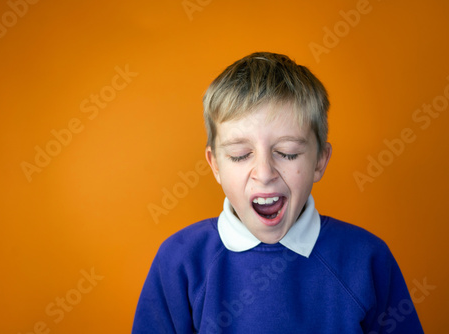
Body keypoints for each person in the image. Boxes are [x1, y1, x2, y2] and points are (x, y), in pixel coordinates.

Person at [132, 52, 423, 333]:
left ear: (320, 160)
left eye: (287, 152)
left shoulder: (367, 259)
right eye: (239, 154)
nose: (265, 173)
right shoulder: (180, 262)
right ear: (216, 165)